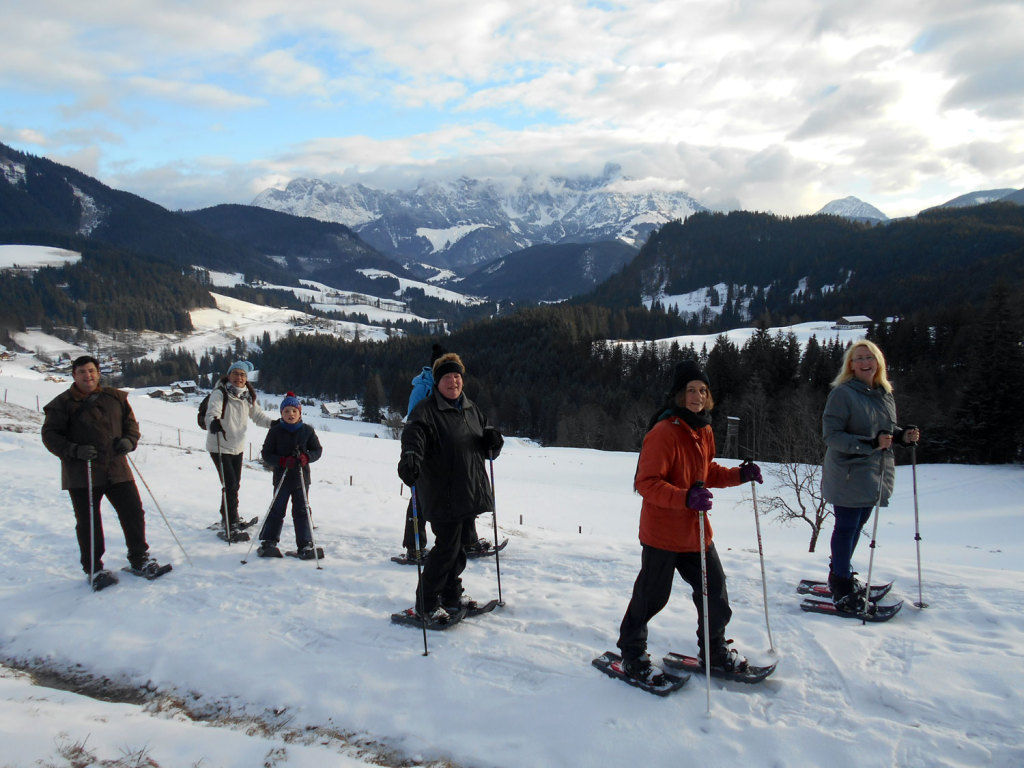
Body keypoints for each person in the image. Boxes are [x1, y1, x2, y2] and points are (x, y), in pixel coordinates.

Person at [615, 359, 762, 684]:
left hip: (695, 533)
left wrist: (739, 475)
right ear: (679, 395)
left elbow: (705, 472)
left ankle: (714, 651)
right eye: (691, 390)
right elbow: (646, 482)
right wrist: (685, 498)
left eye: (703, 390)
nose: (697, 396)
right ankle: (632, 653)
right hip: (662, 534)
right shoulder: (664, 432)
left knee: (715, 591)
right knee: (651, 598)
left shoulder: (703, 429)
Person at [41, 355, 167, 590]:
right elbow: (50, 436)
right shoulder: (61, 404)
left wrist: (130, 441)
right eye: (82, 372)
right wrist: (74, 450)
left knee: (133, 512)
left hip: (116, 468)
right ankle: (94, 569)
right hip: (82, 472)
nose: (87, 376)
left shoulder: (115, 398)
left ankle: (139, 559)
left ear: (98, 373)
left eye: (91, 371)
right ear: (74, 375)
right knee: (88, 522)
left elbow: (131, 424)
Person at [397, 352, 504, 621]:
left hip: (468, 490)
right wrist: (410, 457)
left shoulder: (470, 408)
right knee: (446, 549)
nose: (453, 381)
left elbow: (485, 443)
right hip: (442, 492)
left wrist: (493, 441)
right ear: (437, 382)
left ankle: (451, 594)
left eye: (457, 376)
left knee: (459, 551)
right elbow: (414, 436)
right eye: (447, 377)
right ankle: (426, 603)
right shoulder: (426, 411)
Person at [821, 340, 920, 611]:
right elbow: (832, 435)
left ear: (879, 362)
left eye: (870, 357)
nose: (865, 362)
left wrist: (900, 436)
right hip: (848, 473)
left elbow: (882, 429)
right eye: (859, 358)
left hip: (874, 473)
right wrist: (870, 444)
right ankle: (840, 582)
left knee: (857, 526)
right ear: (850, 366)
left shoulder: (883, 392)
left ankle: (839, 572)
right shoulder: (842, 393)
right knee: (846, 526)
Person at [399, 343, 491, 562]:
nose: (452, 379)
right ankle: (415, 545)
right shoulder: (423, 388)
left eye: (455, 372)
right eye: (445, 370)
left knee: (464, 493)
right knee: (420, 499)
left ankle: (468, 540)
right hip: (425, 454)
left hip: (451, 455)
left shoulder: (454, 389)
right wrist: (415, 451)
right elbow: (414, 421)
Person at [205, 360, 274, 541]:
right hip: (219, 445)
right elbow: (212, 412)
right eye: (236, 373)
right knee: (231, 485)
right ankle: (231, 522)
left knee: (233, 484)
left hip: (237, 446)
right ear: (229, 375)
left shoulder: (247, 397)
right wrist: (213, 422)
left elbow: (258, 416)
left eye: (242, 375)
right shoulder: (220, 393)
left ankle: (227, 515)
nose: (239, 378)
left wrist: (273, 424)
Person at [257, 393, 323, 558]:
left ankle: (305, 544)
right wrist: (282, 461)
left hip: (301, 479)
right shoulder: (276, 431)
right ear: (281, 413)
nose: (290, 414)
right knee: (277, 510)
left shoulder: (307, 430)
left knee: (302, 511)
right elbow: (266, 454)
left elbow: (317, 450)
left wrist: (306, 457)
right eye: (286, 411)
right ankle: (268, 541)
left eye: (294, 410)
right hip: (282, 477)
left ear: (300, 412)